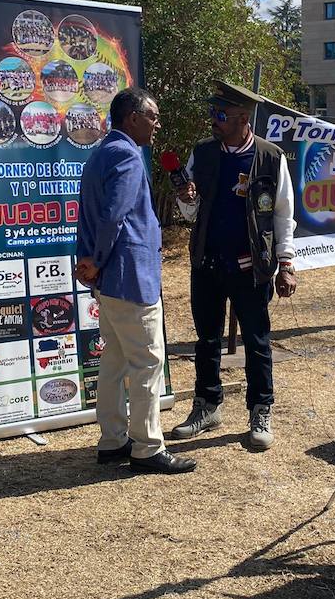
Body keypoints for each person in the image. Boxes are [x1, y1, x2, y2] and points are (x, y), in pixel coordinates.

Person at [171, 80, 297, 451]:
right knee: (206, 339)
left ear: (243, 118)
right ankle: (207, 406)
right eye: (212, 113)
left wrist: (286, 263)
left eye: (220, 115)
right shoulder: (203, 152)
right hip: (207, 263)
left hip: (250, 266)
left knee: (257, 341)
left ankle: (260, 410)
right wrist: (185, 198)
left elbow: (284, 213)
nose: (213, 120)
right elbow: (192, 211)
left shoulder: (270, 157)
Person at [76, 87, 195, 475]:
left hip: (110, 279)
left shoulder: (100, 152)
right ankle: (146, 447)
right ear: (132, 118)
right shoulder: (126, 155)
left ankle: (113, 441)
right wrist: (96, 259)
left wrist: (89, 259)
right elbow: (112, 217)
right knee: (147, 362)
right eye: (153, 117)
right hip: (129, 276)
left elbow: (89, 213)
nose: (157, 124)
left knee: (113, 362)